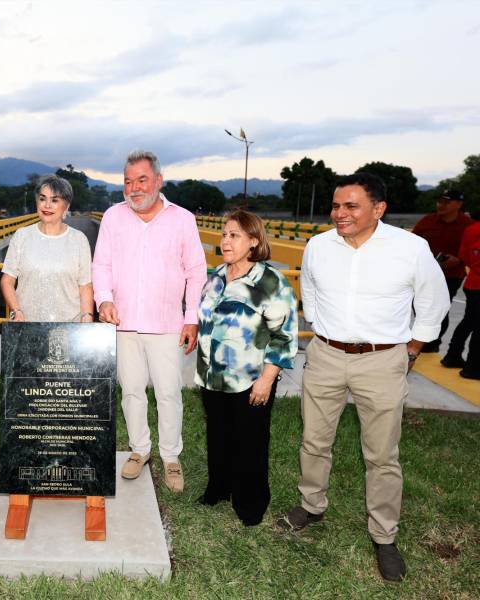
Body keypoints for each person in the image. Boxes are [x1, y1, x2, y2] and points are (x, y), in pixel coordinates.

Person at [276, 173, 450, 582]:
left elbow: (434, 301)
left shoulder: (410, 249)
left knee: (381, 454)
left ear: (378, 209)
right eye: (336, 206)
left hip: (382, 360)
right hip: (326, 356)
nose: (340, 214)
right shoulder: (319, 246)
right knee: (314, 439)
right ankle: (311, 505)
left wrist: (412, 349)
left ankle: (384, 535)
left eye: (351, 206)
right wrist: (320, 327)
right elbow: (312, 292)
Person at [93, 150, 207, 493]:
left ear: (158, 181)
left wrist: (191, 318)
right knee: (130, 391)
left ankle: (171, 457)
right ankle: (139, 450)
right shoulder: (113, 217)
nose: (134, 188)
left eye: (142, 180)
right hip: (124, 323)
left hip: (167, 324)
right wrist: (104, 299)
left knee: (169, 393)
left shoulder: (182, 218)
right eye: (128, 182)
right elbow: (102, 266)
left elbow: (196, 270)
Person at [196, 210, 297, 526]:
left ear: (254, 241)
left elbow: (284, 335)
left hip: (252, 379)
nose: (226, 240)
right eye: (224, 235)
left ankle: (251, 502)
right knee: (218, 436)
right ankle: (219, 488)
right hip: (213, 377)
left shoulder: (269, 282)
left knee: (250, 441)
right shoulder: (215, 278)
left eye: (234, 235)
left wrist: (267, 379)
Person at [1, 175, 93, 323]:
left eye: (55, 200)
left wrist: (87, 316)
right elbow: (7, 280)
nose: (47, 205)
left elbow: (85, 285)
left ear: (66, 206)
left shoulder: (79, 240)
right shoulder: (22, 236)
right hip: (27, 325)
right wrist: (16, 311)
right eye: (43, 199)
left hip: (68, 327)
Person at [412, 189, 473, 352]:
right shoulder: (427, 221)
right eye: (440, 201)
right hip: (423, 273)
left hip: (451, 274)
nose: (441, 205)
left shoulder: (468, 225)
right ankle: (423, 337)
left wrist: (459, 259)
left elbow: (473, 251)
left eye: (447, 202)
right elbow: (411, 243)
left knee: (441, 308)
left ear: (459, 204)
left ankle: (432, 343)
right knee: (419, 305)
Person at [443, 217, 480, 378]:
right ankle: (474, 367)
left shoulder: (472, 229)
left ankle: (452, 355)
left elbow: (464, 255)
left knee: (469, 321)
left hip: (472, 282)